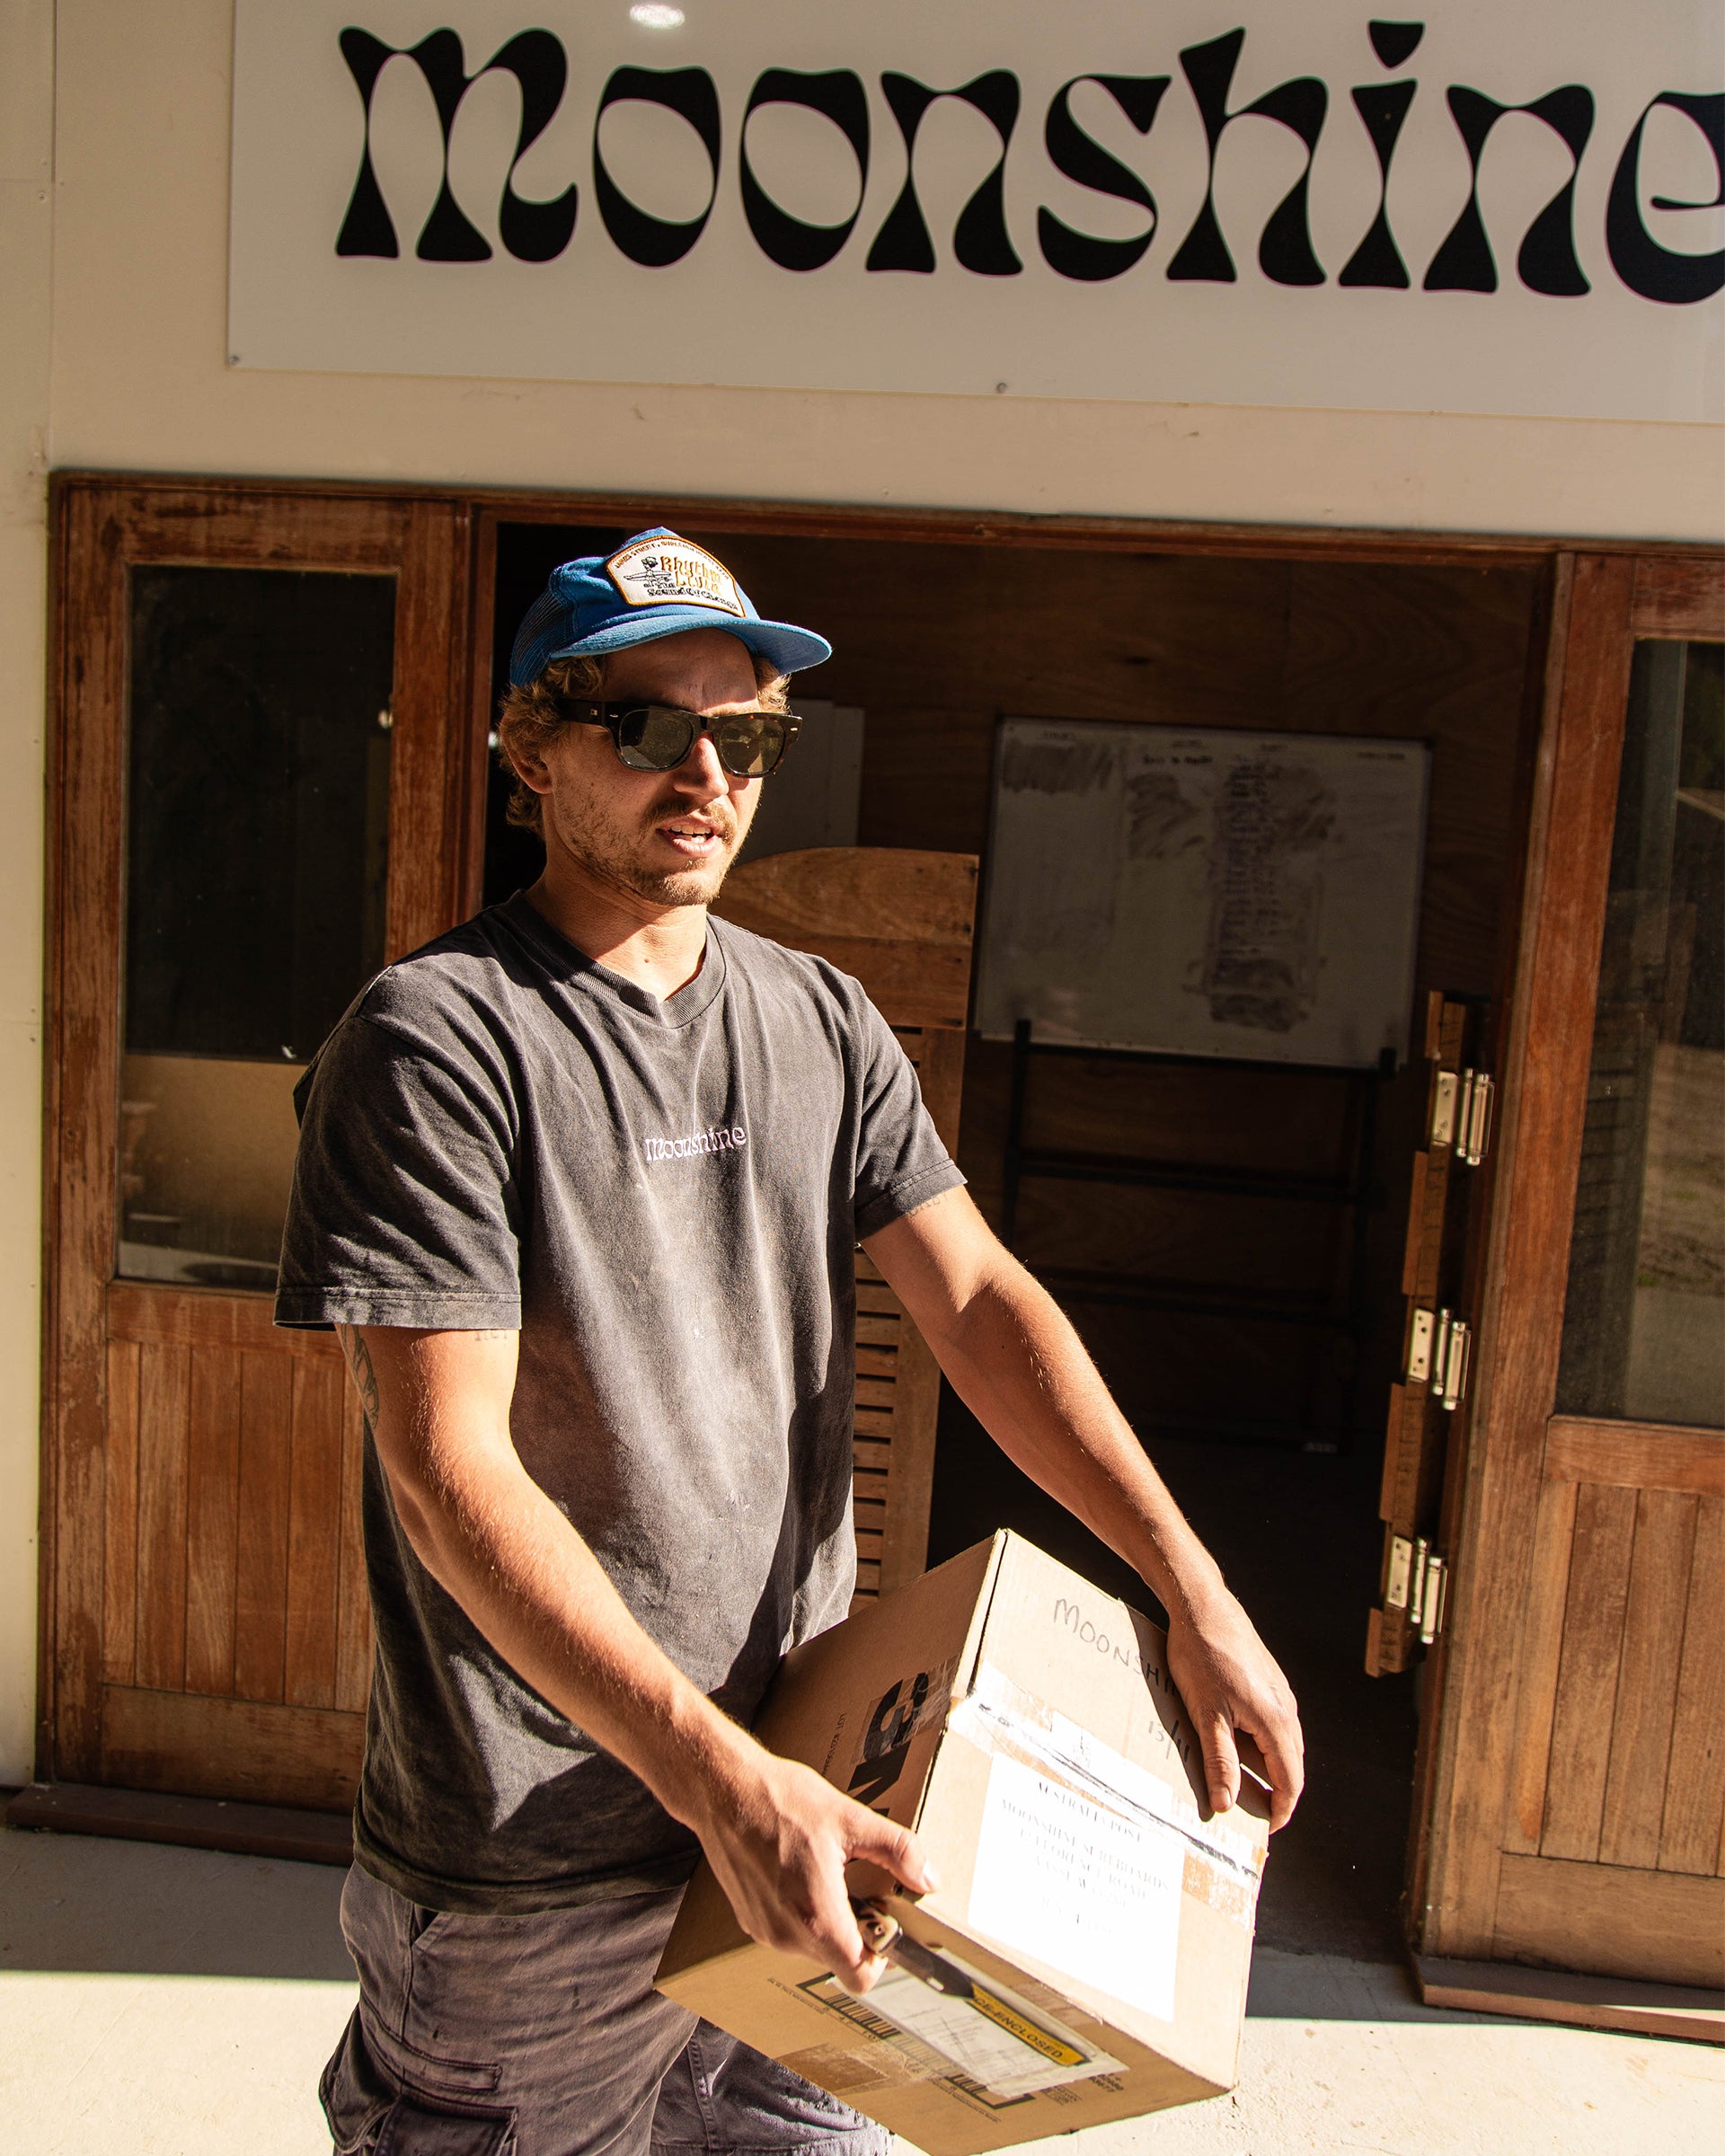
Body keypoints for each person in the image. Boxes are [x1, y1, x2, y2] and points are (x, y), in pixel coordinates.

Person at [277, 527, 1304, 2156]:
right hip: (545, 1876)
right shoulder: (437, 1044)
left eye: (746, 735)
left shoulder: (819, 1017)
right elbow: (446, 1471)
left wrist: (1195, 1590)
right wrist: (713, 1781)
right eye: (647, 726)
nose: (707, 774)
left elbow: (980, 1303)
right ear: (532, 751)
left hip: (816, 1801)